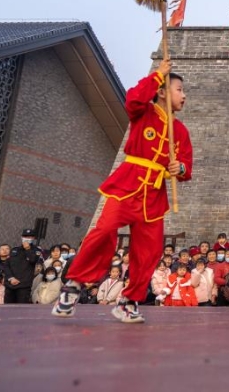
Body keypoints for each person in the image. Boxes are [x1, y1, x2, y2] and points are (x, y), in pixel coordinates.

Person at [53, 59, 192, 324]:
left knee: (149, 251)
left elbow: (187, 167)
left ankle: (129, 301)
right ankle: (74, 284)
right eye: (179, 89)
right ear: (162, 91)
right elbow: (133, 101)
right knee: (104, 230)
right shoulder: (145, 113)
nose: (184, 96)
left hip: (154, 194)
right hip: (128, 185)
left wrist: (179, 167)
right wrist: (156, 76)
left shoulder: (181, 131)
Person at [3, 229, 41, 304]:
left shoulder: (36, 250)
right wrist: (11, 278)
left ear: (33, 238)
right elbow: (7, 265)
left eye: (30, 237)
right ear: (22, 237)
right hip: (10, 285)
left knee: (20, 310)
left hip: (23, 286)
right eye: (25, 236)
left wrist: (28, 249)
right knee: (6, 310)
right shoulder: (15, 250)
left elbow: (33, 260)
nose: (27, 238)